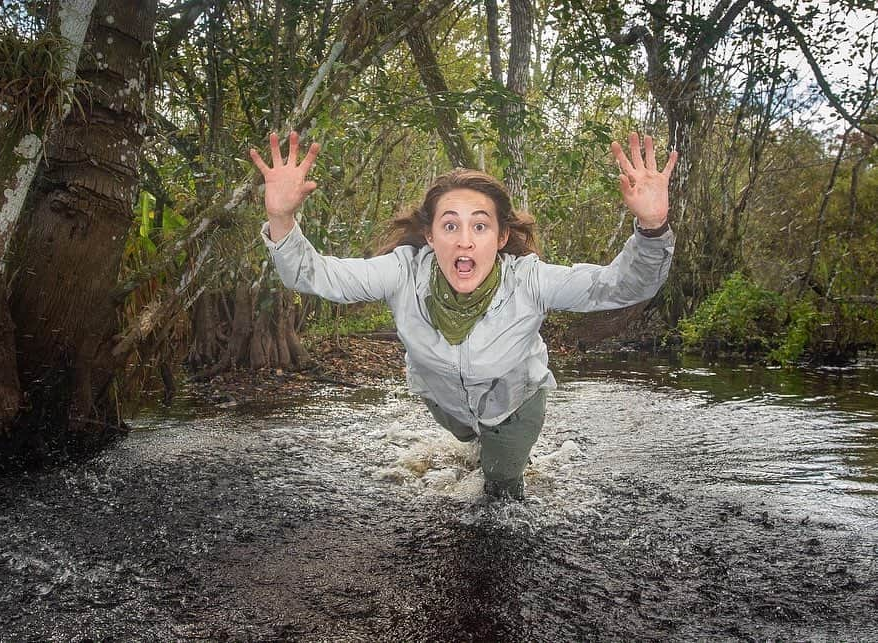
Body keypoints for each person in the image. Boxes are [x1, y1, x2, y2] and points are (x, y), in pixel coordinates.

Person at [250, 131, 677, 499]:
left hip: (514, 405)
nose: (465, 242)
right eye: (450, 226)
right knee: (468, 442)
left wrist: (653, 227)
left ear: (502, 235)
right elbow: (318, 276)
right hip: (444, 399)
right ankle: (473, 440)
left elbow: (622, 285)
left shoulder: (529, 280)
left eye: (480, 226)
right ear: (430, 237)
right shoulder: (402, 271)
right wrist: (281, 216)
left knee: (501, 490)